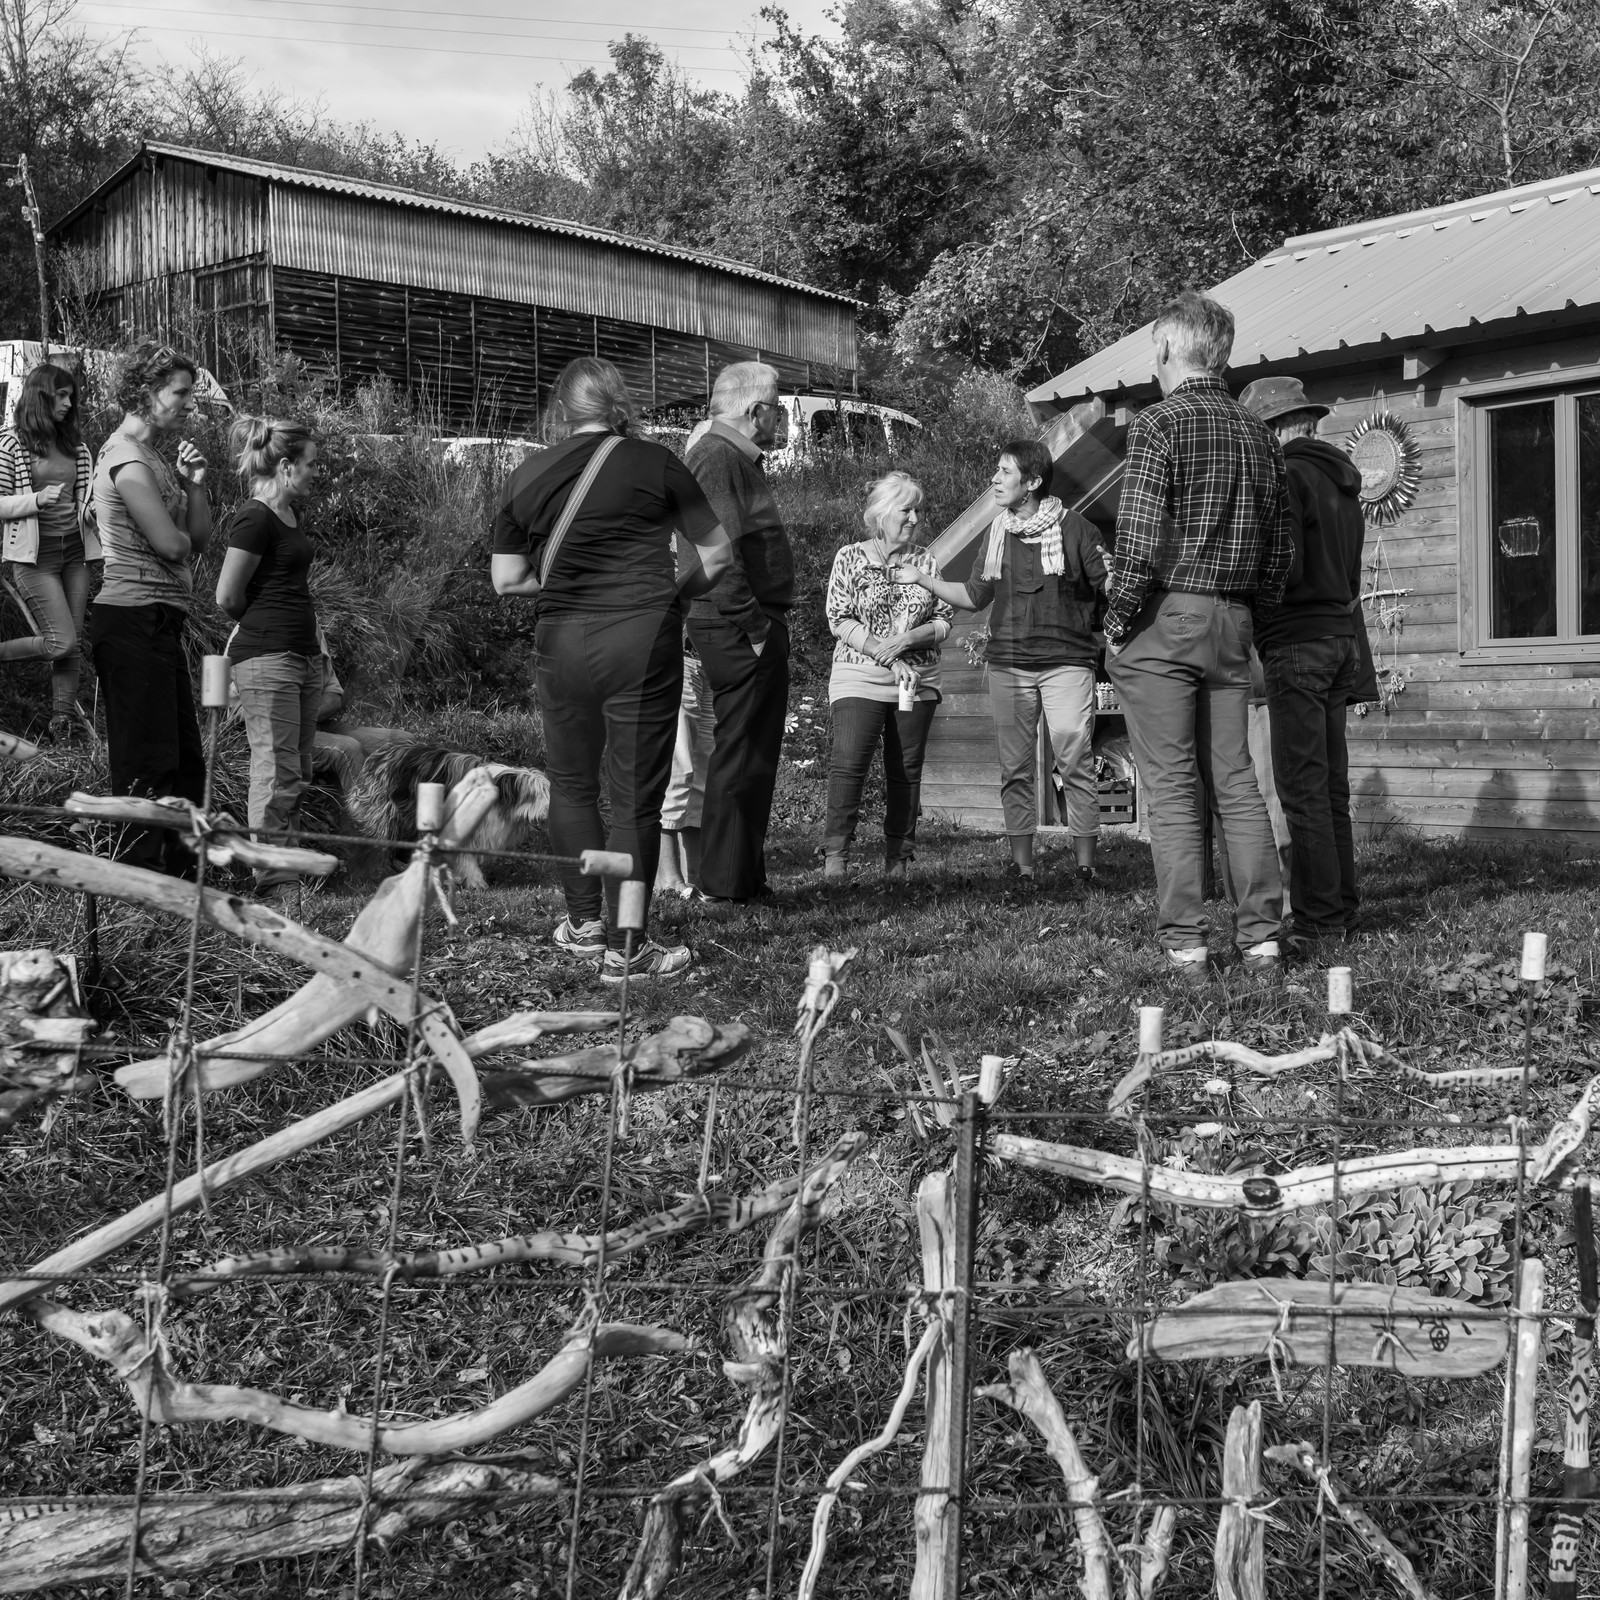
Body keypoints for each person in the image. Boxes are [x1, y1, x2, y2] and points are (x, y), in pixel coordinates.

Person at [491, 356, 732, 982]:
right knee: (633, 799)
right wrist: (674, 595)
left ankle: (583, 923)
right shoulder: (656, 462)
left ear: (561, 410)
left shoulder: (526, 473)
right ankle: (627, 950)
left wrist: (570, 580)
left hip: (562, 640)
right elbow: (718, 553)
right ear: (619, 403)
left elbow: (507, 578)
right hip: (640, 636)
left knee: (571, 784)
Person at [1102, 291, 1292, 983]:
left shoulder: (1158, 423)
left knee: (1174, 785)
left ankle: (1187, 943)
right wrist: (1254, 621)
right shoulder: (1260, 433)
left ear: (1166, 351)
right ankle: (1263, 939)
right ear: (1221, 353)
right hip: (1233, 619)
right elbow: (1280, 549)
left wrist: (1117, 619)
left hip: (1167, 617)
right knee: (1238, 781)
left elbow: (1140, 535)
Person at [897, 439, 1106, 882]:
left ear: (1032, 482)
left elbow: (1108, 585)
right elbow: (974, 596)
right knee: (1015, 767)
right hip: (1009, 665)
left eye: (1005, 472)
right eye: (997, 470)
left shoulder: (1078, 529)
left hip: (1067, 663)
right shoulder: (996, 532)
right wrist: (924, 579)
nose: (994, 479)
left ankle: (1086, 867)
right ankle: (1022, 865)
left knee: (1073, 759)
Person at [1239, 374, 1366, 955]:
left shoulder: (1284, 474)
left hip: (1296, 641)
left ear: (1271, 428)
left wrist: (1254, 605)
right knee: (1330, 786)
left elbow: (1283, 564)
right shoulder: (1342, 483)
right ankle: (1341, 906)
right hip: (1340, 638)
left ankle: (1316, 921)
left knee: (1301, 788)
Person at [87, 341, 213, 875]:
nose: (188, 403)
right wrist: (181, 532)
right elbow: (173, 546)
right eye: (180, 392)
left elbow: (200, 538)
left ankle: (186, 872)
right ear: (146, 392)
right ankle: (141, 879)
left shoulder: (159, 460)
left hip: (161, 619)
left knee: (182, 754)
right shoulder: (125, 459)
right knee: (145, 759)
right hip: (130, 617)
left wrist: (194, 485)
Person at [684, 361, 795, 904]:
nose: (780, 417)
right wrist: (754, 626)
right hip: (738, 623)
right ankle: (724, 886)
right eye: (777, 406)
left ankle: (743, 878)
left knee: (754, 753)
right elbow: (714, 552)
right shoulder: (717, 457)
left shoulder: (732, 457)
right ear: (756, 412)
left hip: (747, 621)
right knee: (741, 750)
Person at [822, 472, 952, 883]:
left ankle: (898, 861)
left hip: (917, 680)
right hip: (858, 675)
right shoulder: (849, 557)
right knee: (849, 765)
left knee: (906, 771)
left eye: (918, 509)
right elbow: (838, 618)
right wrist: (887, 652)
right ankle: (836, 860)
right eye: (906, 509)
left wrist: (910, 638)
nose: (914, 517)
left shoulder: (926, 561)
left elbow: (945, 619)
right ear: (881, 515)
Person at [215, 416, 322, 909]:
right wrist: (264, 625)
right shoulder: (254, 517)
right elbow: (227, 595)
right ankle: (273, 879)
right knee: (274, 769)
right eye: (310, 464)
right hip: (266, 658)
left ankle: (286, 870)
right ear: (285, 465)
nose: (314, 473)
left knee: (296, 769)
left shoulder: (289, 517)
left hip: (303, 658)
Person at [0, 363, 100, 745]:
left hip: (74, 553)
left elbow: (84, 498)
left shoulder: (78, 446)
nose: (69, 402)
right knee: (62, 641)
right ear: (41, 396)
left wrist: (90, 510)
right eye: (61, 395)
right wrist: (36, 500)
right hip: (34, 559)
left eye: (71, 395)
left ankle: (62, 725)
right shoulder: (11, 444)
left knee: (70, 645)